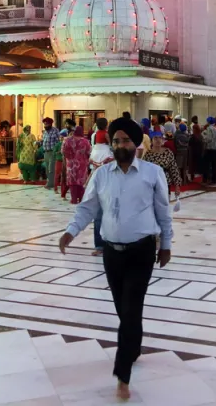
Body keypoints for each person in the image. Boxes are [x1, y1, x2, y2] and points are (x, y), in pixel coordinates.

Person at [59, 117, 172, 402]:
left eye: (126, 140)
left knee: (131, 308)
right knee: (124, 309)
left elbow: (163, 212)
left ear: (136, 143)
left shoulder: (152, 172)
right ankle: (133, 346)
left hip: (142, 251)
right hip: (111, 253)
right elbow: (87, 208)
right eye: (116, 140)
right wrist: (70, 232)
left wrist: (167, 244)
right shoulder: (101, 174)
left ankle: (122, 375)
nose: (121, 145)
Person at [89, 128, 115, 254]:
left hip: (114, 186)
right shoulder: (96, 149)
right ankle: (99, 246)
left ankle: (113, 245)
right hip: (99, 186)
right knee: (98, 216)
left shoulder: (113, 151)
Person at [143, 130, 181, 201]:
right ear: (151, 141)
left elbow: (174, 169)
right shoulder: (148, 154)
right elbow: (144, 171)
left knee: (165, 204)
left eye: (160, 138)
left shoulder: (168, 152)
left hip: (165, 181)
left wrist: (177, 185)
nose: (158, 140)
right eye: (155, 138)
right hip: (152, 183)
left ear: (162, 140)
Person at [63, 125, 91, 204]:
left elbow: (63, 151)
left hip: (70, 165)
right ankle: (81, 199)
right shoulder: (85, 141)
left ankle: (73, 199)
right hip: (82, 165)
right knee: (81, 182)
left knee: (72, 183)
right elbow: (89, 152)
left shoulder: (67, 140)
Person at [41, 117, 60, 189]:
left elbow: (58, 142)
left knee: (51, 168)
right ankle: (50, 182)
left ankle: (51, 183)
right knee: (47, 168)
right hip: (46, 152)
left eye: (47, 124)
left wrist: (57, 150)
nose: (45, 126)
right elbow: (43, 141)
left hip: (53, 152)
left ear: (50, 124)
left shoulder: (55, 131)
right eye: (44, 124)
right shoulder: (45, 132)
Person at [201, 117, 216, 183]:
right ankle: (214, 179)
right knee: (214, 165)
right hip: (215, 149)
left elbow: (208, 139)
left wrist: (203, 137)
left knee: (206, 165)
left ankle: (205, 179)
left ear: (208, 122)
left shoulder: (209, 128)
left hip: (209, 148)